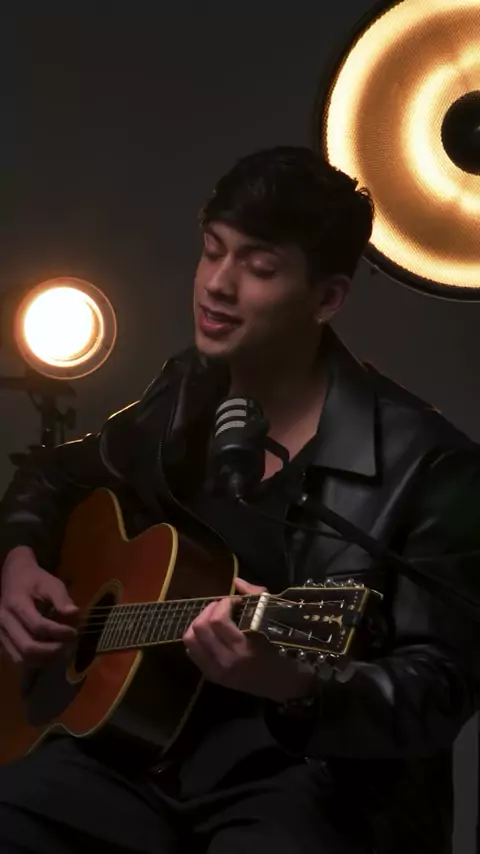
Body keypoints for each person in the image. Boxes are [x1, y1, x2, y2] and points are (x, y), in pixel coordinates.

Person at [0, 146, 478, 854]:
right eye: (212, 250)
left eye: (259, 267)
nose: (217, 286)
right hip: (140, 758)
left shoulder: (432, 464)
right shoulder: (188, 390)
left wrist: (297, 685)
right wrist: (19, 557)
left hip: (312, 783)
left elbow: (436, 691)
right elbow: (55, 473)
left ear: (327, 299)